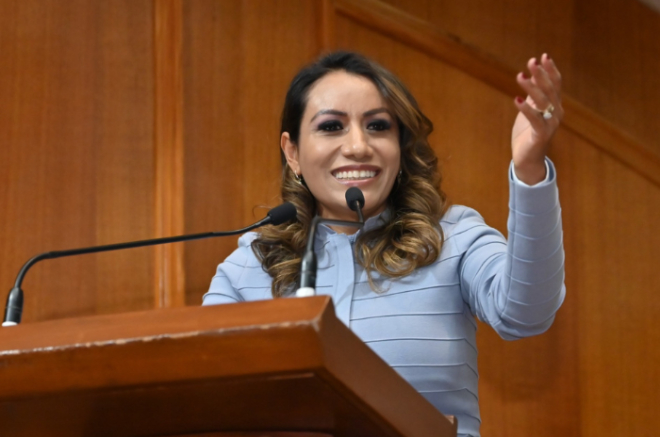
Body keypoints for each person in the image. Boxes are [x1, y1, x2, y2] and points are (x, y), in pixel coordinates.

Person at [203, 51, 565, 437]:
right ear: (292, 152)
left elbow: (526, 312)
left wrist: (529, 169)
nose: (359, 146)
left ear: (400, 147)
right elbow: (202, 387)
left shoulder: (452, 236)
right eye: (331, 126)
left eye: (377, 126)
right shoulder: (251, 264)